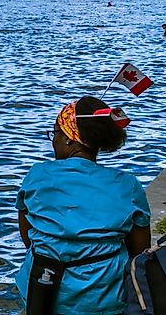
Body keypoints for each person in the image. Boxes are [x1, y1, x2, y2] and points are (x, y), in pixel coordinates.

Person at [16, 97, 150, 315]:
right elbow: (139, 252)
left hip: (41, 290)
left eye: (55, 133)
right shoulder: (128, 186)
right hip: (104, 299)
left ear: (70, 139)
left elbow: (28, 237)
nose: (53, 141)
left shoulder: (37, 176)